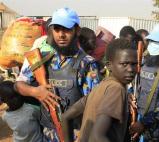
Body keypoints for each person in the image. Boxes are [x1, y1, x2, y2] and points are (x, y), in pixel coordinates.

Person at [15, 7, 100, 141]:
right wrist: (36, 91)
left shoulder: (87, 64)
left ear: (76, 30)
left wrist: (83, 135)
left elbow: (95, 105)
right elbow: (18, 85)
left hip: (76, 134)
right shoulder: (44, 60)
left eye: (66, 29)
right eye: (57, 29)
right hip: (48, 133)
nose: (61, 35)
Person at [61, 38, 137, 142]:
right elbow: (97, 136)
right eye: (124, 64)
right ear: (109, 65)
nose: (130, 69)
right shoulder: (116, 89)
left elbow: (66, 117)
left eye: (134, 64)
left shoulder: (101, 86)